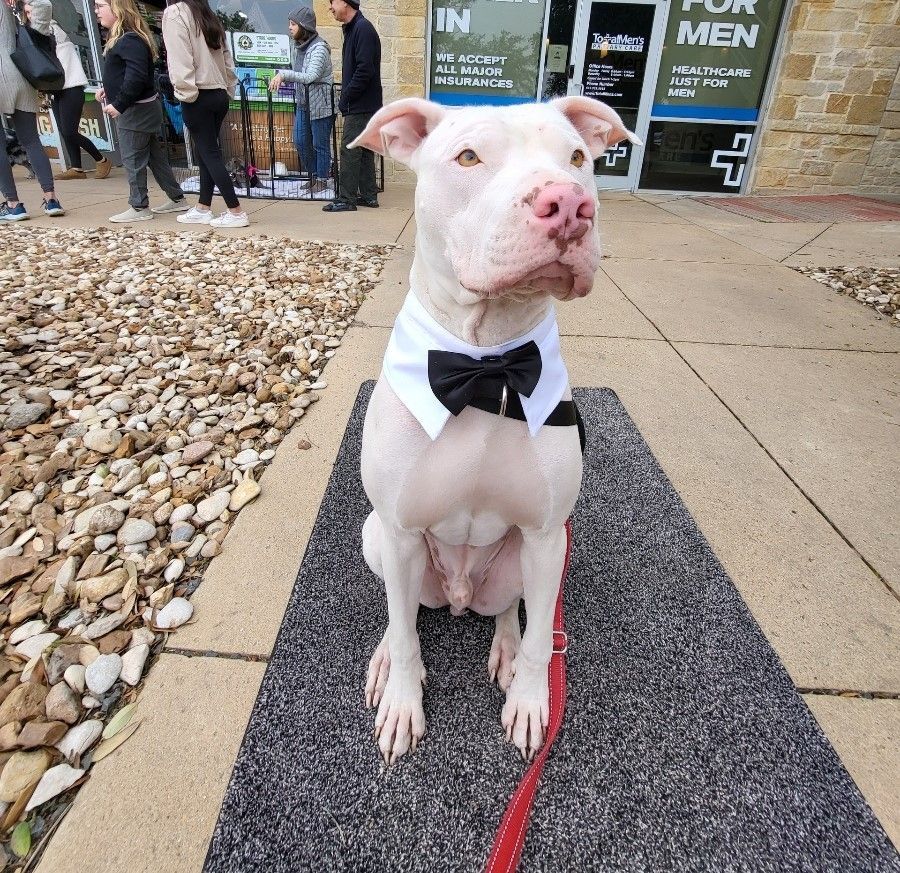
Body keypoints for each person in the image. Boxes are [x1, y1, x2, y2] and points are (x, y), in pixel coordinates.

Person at [95, 0, 190, 223]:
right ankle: (177, 198)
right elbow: (131, 75)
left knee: (132, 158)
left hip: (135, 111)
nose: (96, 11)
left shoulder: (128, 40)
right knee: (155, 159)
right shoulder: (131, 39)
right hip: (142, 108)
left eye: (100, 6)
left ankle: (139, 206)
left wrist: (119, 104)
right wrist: (108, 90)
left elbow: (136, 77)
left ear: (116, 9)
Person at [162, 0, 249, 228]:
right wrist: (227, 87)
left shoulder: (176, 13)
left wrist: (186, 92)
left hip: (199, 92)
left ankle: (236, 211)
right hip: (217, 92)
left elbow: (179, 57)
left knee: (209, 153)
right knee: (206, 151)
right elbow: (227, 58)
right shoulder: (209, 15)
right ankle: (203, 206)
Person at [0, 0, 65, 220]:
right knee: (31, 140)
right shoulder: (9, 7)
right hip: (20, 75)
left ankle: (13, 204)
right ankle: (51, 199)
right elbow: (44, 5)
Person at [323, 0, 381, 213]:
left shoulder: (362, 28)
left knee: (349, 148)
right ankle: (368, 196)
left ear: (344, 2)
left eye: (332, 2)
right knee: (364, 149)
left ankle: (346, 199)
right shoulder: (356, 28)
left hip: (361, 104)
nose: (330, 8)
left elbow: (365, 70)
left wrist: (346, 96)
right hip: (364, 103)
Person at [270, 7, 334, 197]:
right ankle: (314, 176)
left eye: (293, 24)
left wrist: (283, 74)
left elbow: (310, 76)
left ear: (303, 26)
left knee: (320, 144)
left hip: (320, 104)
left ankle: (322, 179)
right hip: (303, 102)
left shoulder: (319, 48)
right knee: (300, 141)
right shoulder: (298, 47)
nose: (289, 27)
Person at [47, 17, 112, 180]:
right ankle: (76, 167)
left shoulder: (57, 35)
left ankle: (101, 159)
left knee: (69, 131)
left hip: (71, 88)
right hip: (57, 90)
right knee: (65, 130)